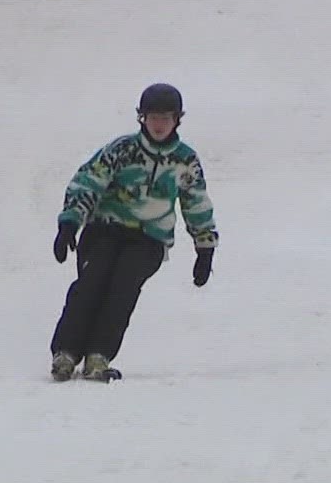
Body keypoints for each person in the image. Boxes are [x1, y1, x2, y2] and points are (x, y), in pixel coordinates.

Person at [47, 82, 220, 381]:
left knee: (123, 288)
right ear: (142, 118)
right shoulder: (122, 150)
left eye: (166, 118)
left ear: (177, 119)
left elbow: (196, 203)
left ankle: (99, 355)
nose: (159, 125)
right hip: (105, 229)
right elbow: (88, 181)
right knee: (92, 282)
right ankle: (65, 352)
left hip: (148, 238)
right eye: (153, 117)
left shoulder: (184, 161)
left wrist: (205, 249)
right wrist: (69, 223)